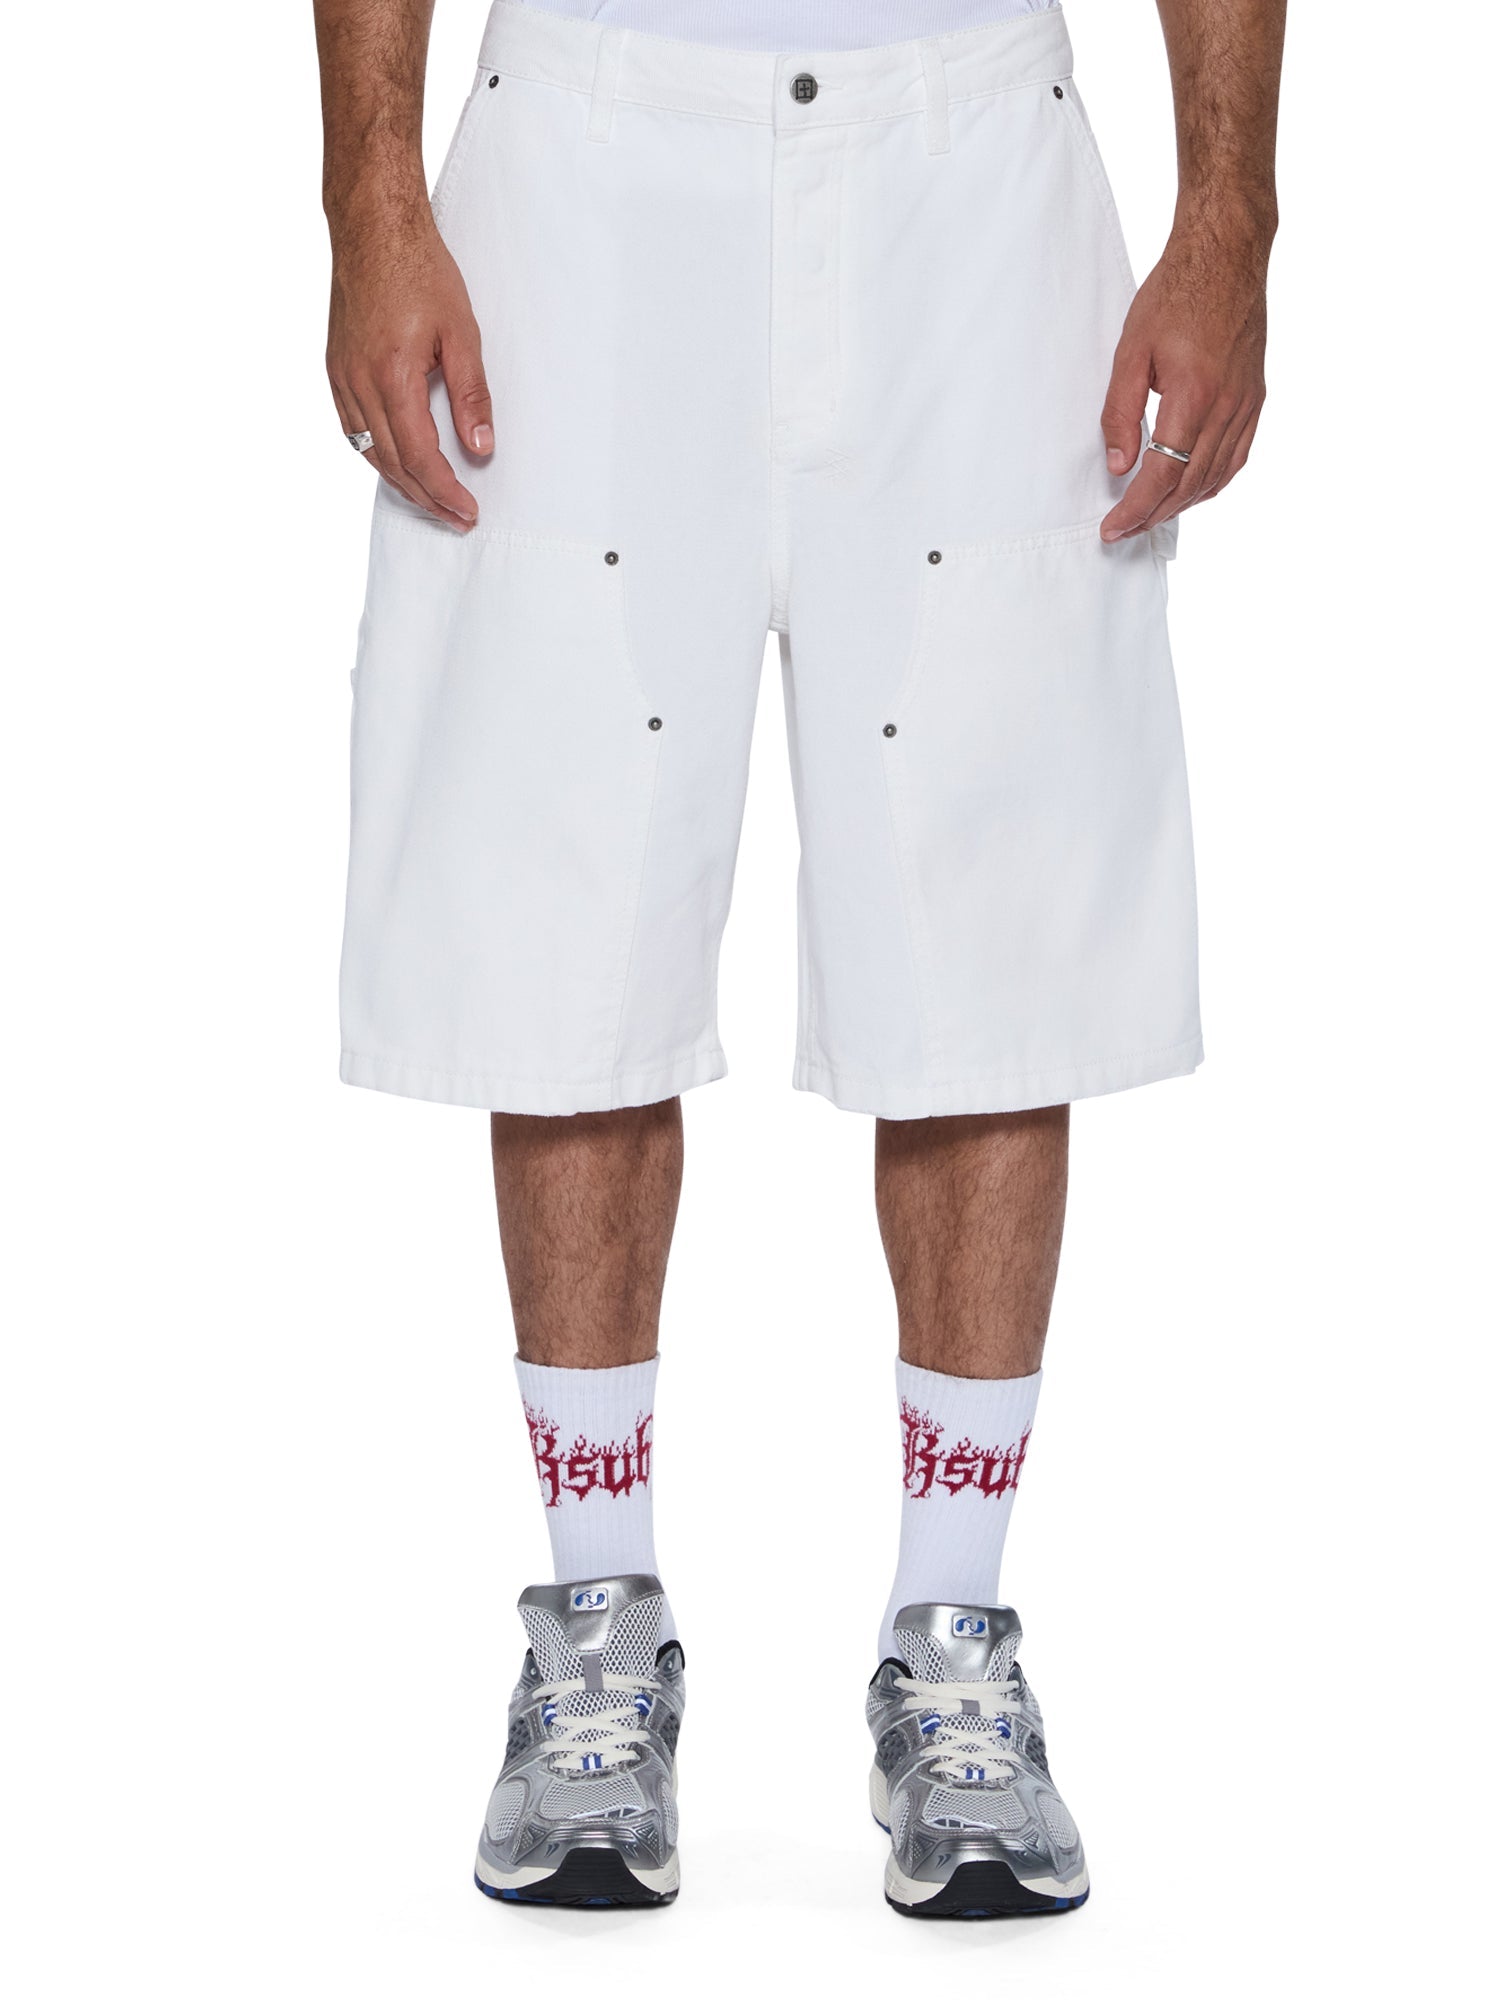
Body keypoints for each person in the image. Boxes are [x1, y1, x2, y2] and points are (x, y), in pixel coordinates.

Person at [315, 0, 1283, 1919]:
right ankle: (599, 1633)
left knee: (984, 929)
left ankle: (955, 1646)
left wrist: (1228, 218)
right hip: (589, 140)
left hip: (972, 150)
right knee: (570, 904)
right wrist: (369, 198)